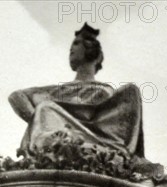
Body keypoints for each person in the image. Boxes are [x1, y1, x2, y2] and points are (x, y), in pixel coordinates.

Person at [8, 23, 145, 160]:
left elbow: (111, 124)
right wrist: (39, 120)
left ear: (92, 50)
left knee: (130, 90)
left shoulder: (105, 91)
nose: (71, 49)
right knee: (45, 108)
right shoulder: (60, 90)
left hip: (95, 140)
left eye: (77, 43)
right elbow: (16, 97)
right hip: (60, 137)